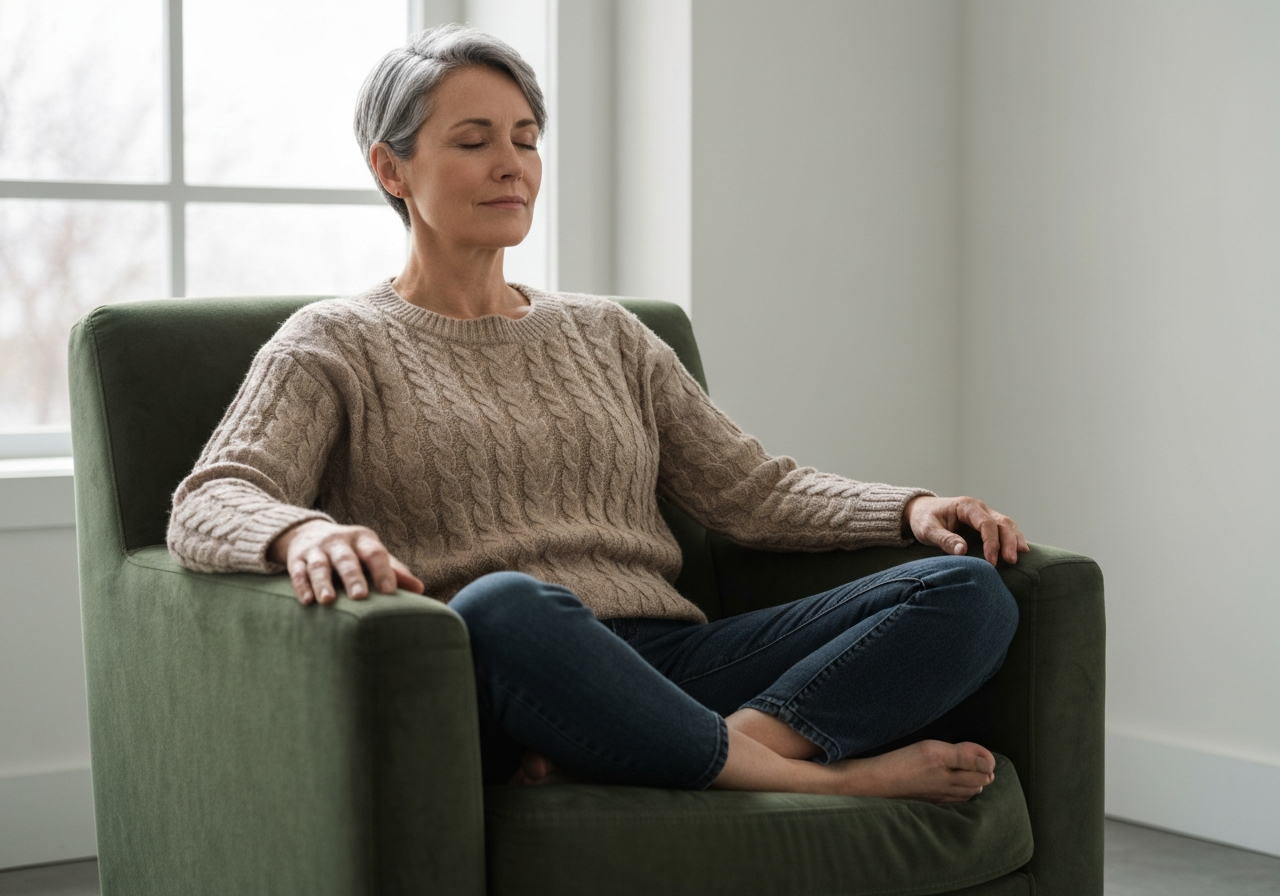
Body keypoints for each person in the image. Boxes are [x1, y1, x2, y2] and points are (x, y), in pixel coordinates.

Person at [167, 24, 1027, 803]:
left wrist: (909, 508)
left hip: (674, 661)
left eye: (527, 140)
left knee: (968, 591)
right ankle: (831, 782)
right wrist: (301, 534)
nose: (513, 165)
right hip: (520, 668)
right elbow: (209, 498)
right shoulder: (334, 341)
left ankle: (706, 754)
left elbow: (751, 493)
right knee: (505, 603)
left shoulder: (608, 333)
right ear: (391, 169)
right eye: (474, 141)